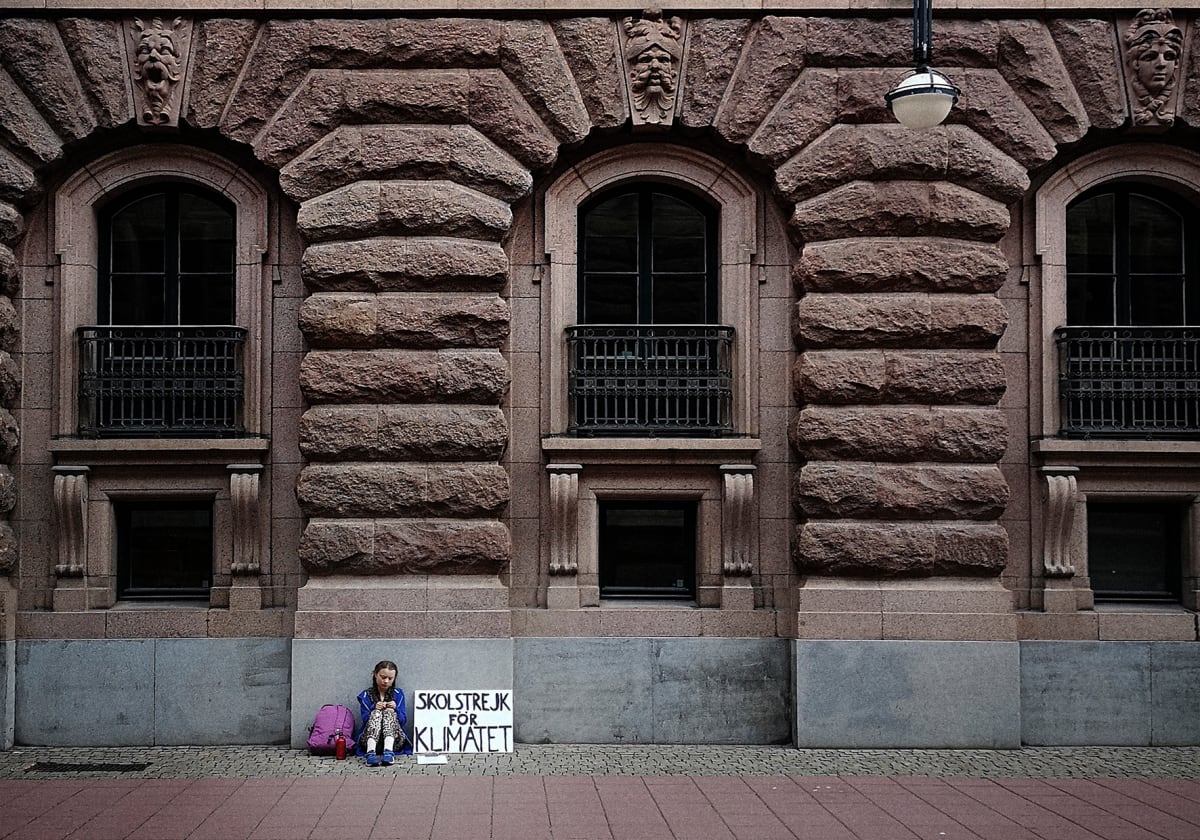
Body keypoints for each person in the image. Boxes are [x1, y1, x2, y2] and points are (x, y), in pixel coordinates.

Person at [356, 660, 408, 766]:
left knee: (389, 712)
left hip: (394, 741)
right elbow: (365, 720)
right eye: (383, 677)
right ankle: (370, 753)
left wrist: (396, 708)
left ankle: (388, 752)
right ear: (375, 675)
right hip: (368, 740)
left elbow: (403, 721)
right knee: (376, 713)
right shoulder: (366, 695)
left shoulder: (398, 694)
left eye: (390, 678)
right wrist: (373, 708)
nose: (386, 681)